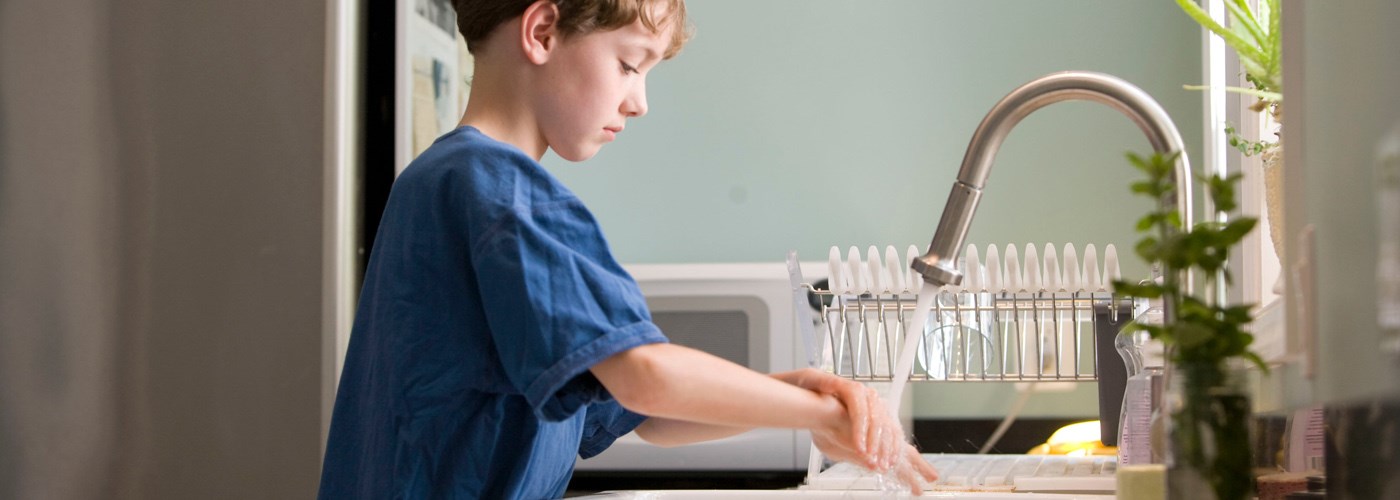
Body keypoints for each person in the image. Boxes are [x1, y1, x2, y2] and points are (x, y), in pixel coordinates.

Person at [317, 1, 938, 498]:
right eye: (629, 64)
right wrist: (820, 415)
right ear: (541, 30)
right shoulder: (506, 195)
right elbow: (644, 377)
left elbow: (636, 413)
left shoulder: (439, 181)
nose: (639, 102)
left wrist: (796, 396)